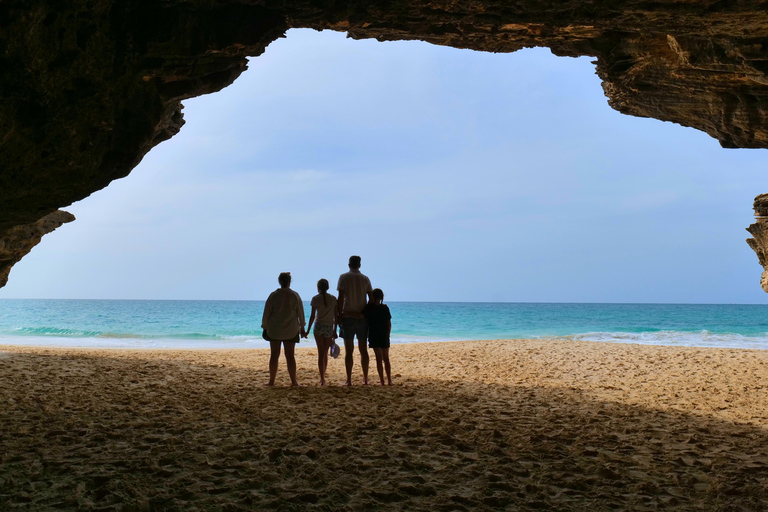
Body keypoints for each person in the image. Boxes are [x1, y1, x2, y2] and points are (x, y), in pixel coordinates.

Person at [261, 272, 306, 387]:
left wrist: (265, 326)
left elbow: (267, 312)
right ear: (289, 282)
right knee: (290, 355)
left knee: (274, 355)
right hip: (291, 330)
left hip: (275, 329)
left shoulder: (273, 295)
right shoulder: (295, 295)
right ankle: (294, 381)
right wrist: (302, 327)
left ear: (279, 282)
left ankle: (271, 381)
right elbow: (301, 312)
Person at [337, 255, 373, 385]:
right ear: (360, 265)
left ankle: (349, 379)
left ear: (349, 265)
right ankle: (365, 378)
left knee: (349, 350)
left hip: (347, 317)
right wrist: (364, 314)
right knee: (363, 350)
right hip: (362, 317)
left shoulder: (343, 277)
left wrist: (338, 314)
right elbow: (371, 299)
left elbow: (340, 297)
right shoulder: (365, 279)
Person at [306, 278, 338, 386]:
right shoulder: (333, 299)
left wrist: (307, 331)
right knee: (325, 353)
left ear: (318, 287)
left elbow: (312, 316)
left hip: (318, 326)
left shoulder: (315, 299)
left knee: (321, 353)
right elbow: (336, 316)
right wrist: (335, 330)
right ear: (328, 287)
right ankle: (323, 377)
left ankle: (322, 379)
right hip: (329, 326)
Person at [363, 288, 393, 386]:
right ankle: (389, 380)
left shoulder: (369, 308)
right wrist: (388, 334)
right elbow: (389, 324)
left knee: (378, 359)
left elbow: (362, 316)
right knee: (386, 359)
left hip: (374, 335)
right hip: (383, 334)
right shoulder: (385, 308)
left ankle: (382, 381)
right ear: (381, 297)